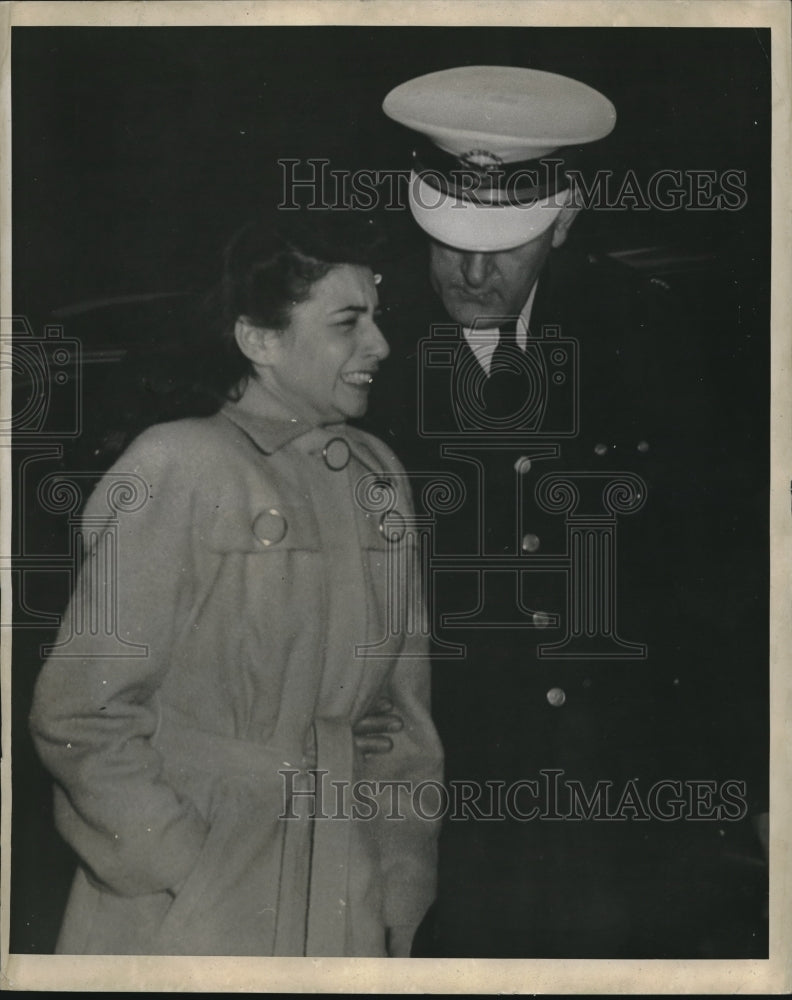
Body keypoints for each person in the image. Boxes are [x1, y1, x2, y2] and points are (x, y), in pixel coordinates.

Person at [364, 66, 769, 957]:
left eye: (504, 245)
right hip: (437, 779)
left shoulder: (650, 335)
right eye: (448, 239)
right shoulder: (363, 340)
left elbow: (716, 577)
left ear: (566, 217)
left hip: (613, 783)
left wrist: (747, 782)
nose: (472, 270)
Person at [29, 212, 443, 957]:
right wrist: (182, 868)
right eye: (348, 323)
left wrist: (399, 877)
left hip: (343, 892)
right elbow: (82, 716)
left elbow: (399, 721)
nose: (379, 345)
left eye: (378, 320)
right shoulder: (179, 465)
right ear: (260, 340)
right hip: (186, 911)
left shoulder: (378, 474)